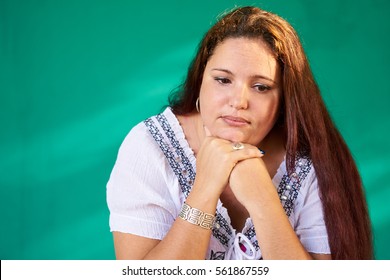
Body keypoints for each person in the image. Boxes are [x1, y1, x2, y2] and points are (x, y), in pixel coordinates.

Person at [106, 6, 373, 260]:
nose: (239, 101)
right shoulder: (149, 147)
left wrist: (263, 200)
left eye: (261, 87)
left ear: (284, 99)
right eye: (223, 80)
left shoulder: (309, 162)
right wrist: (205, 190)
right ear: (200, 81)